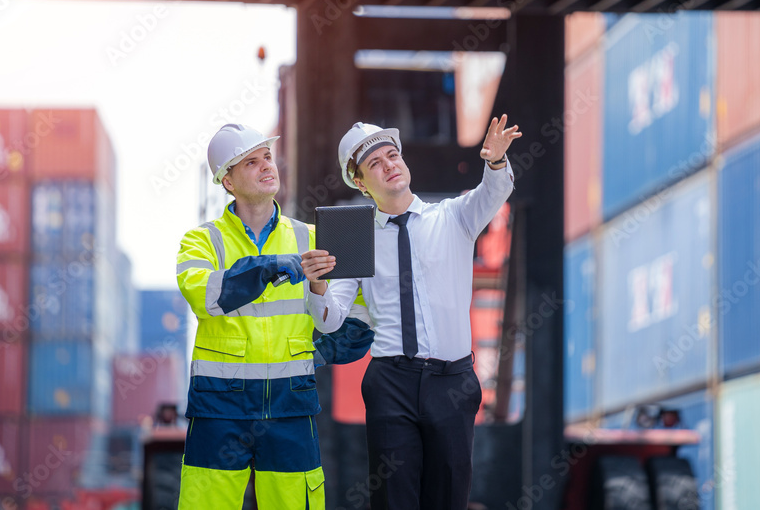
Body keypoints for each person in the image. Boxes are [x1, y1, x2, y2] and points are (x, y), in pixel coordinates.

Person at [304, 114, 521, 510]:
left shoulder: (454, 217)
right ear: (360, 182)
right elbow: (329, 320)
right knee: (393, 501)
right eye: (375, 163)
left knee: (448, 498)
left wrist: (494, 161)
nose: (389, 165)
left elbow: (494, 191)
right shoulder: (354, 234)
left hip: (451, 381)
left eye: (392, 155)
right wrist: (317, 286)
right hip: (391, 383)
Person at [175, 123, 373, 510]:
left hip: (290, 407)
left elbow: (362, 314)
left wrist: (317, 351)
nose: (267, 166)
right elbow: (207, 294)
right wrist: (268, 268)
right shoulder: (201, 241)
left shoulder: (315, 238)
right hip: (220, 410)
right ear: (228, 181)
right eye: (251, 161)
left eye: (267, 156)